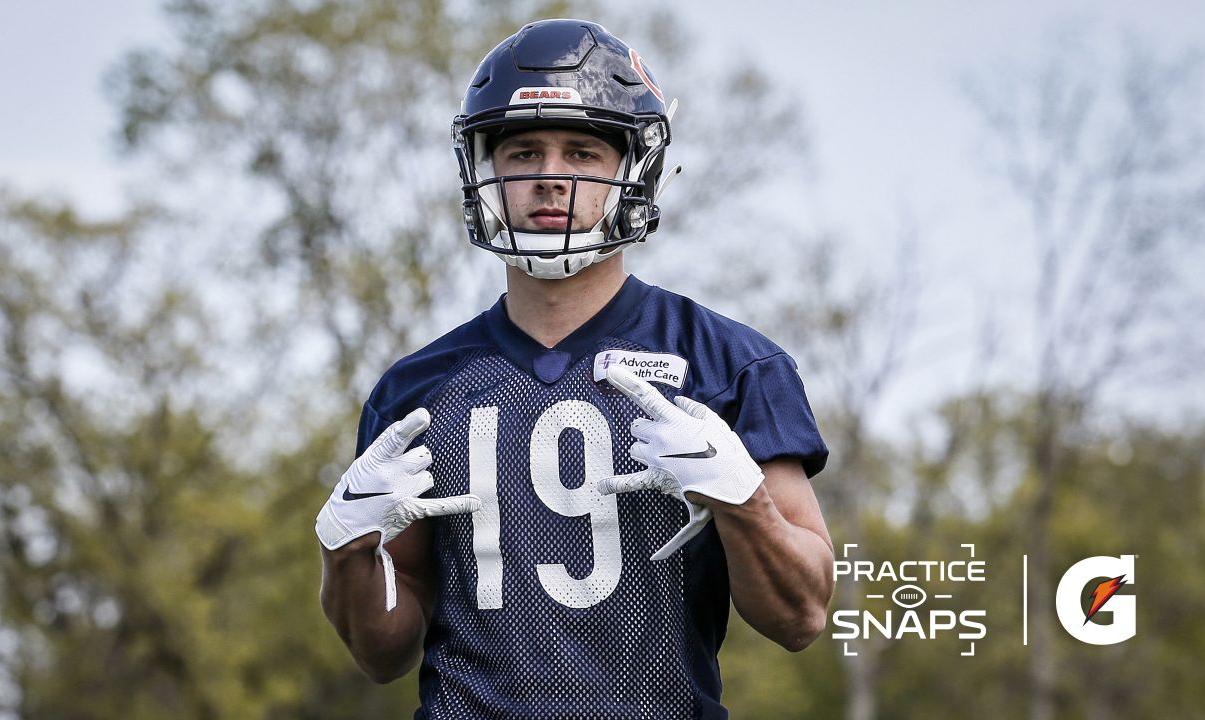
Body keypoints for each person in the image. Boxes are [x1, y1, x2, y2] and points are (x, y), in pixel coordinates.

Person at [316, 18, 833, 719]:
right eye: (524, 151)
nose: (550, 177)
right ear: (486, 170)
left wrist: (745, 504)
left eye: (583, 153)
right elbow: (383, 654)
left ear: (632, 169)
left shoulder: (728, 364)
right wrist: (344, 553)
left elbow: (800, 617)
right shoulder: (416, 391)